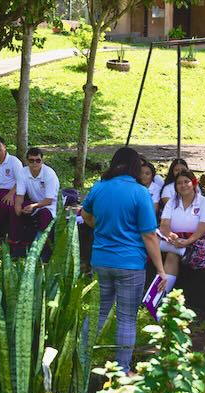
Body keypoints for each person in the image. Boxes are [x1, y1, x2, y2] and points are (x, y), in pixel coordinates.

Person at [81, 147, 167, 372]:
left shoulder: (99, 188)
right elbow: (149, 234)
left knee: (98, 313)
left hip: (100, 261)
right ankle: (122, 368)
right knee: (127, 318)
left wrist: (99, 226)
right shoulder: (140, 193)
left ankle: (79, 360)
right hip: (130, 264)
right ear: (135, 167)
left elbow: (85, 215)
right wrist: (160, 269)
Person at [158, 170, 205, 294]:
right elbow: (164, 224)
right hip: (174, 240)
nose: (183, 185)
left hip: (197, 241)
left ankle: (160, 296)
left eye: (186, 182)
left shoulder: (204, 202)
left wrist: (188, 241)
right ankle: (161, 297)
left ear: (193, 183)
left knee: (170, 254)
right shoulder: (172, 202)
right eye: (179, 183)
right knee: (159, 245)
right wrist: (171, 236)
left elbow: (203, 227)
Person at [13, 147, 60, 256]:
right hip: (33, 204)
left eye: (37, 160)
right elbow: (19, 195)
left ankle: (39, 249)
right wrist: (17, 208)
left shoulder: (49, 174)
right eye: (31, 160)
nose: (35, 163)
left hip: (48, 207)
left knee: (44, 216)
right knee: (15, 211)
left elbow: (49, 200)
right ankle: (17, 244)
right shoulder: (22, 172)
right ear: (27, 161)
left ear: (42, 161)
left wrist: (34, 206)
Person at [0, 136, 24, 246]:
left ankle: (1, 235)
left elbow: (21, 180)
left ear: (4, 147)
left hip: (13, 191)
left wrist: (11, 194)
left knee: (7, 205)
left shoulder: (14, 161)